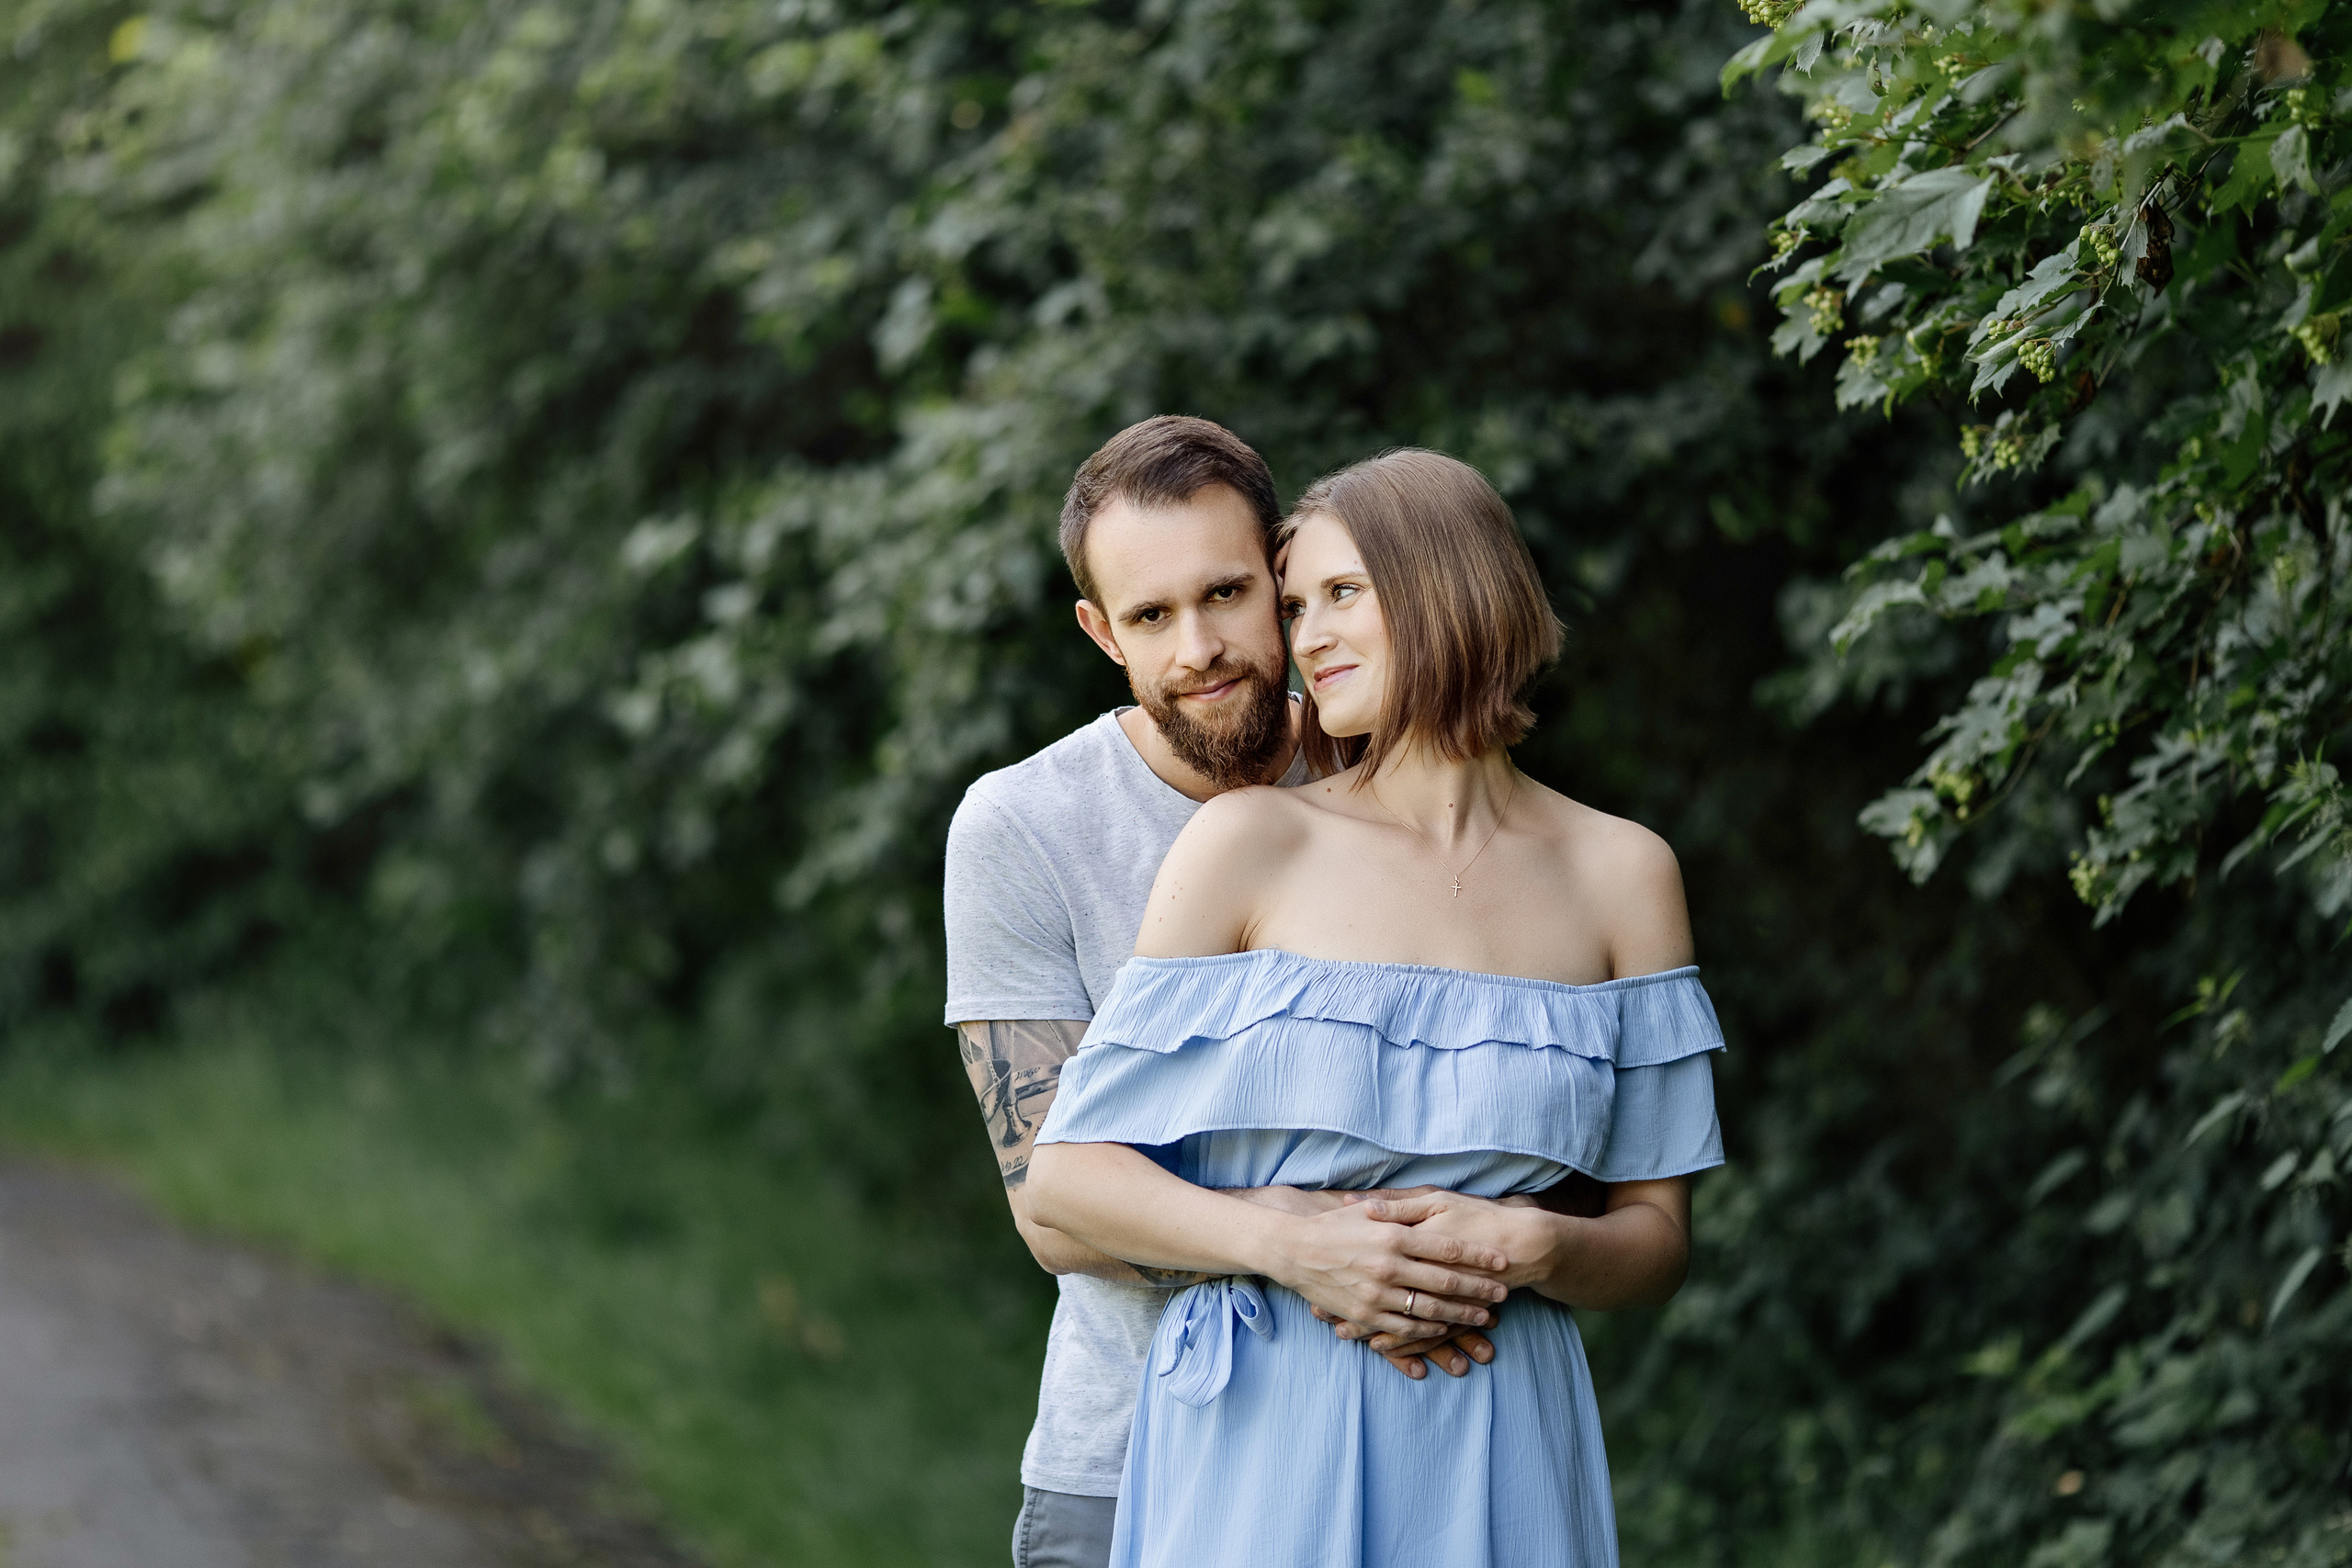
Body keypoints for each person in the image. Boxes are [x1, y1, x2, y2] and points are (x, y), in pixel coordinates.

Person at [1024, 448, 1725, 1568]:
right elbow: (1066, 1176)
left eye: (1342, 594)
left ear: (1452, 585)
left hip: (1502, 1429)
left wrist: (1537, 1242)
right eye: (1294, 605)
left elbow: (1655, 1241)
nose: (1305, 638)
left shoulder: (1622, 874)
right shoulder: (1255, 839)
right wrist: (1295, 1250)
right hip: (1262, 1421)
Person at [944, 420, 1503, 1568]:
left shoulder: (1394, 776)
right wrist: (1295, 1246)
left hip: (1416, 1437)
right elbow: (1053, 1209)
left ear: (1286, 586)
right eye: (1150, 616)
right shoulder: (1022, 827)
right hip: (1133, 1452)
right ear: (1101, 631)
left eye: (1227, 593)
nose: (1199, 646)